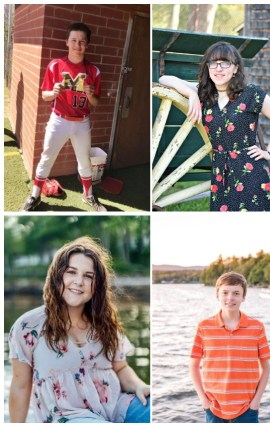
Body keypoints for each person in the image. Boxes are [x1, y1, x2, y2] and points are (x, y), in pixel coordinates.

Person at [8, 236, 150, 423]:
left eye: (88, 276)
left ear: (96, 285)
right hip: (67, 416)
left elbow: (121, 367)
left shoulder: (104, 323)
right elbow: (20, 386)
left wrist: (140, 386)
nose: (79, 281)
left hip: (115, 407)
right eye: (71, 272)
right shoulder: (28, 327)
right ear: (57, 275)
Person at [159, 42, 270, 211]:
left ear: (235, 68)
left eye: (225, 63)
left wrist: (269, 153)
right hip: (221, 172)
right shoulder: (205, 94)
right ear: (208, 68)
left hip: (251, 172)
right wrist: (191, 93)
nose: (218, 68)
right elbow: (164, 79)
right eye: (213, 63)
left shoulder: (251, 94)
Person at [22, 22, 106, 212]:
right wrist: (54, 92)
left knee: (84, 161)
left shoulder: (93, 71)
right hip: (59, 119)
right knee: (46, 157)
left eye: (82, 42)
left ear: (87, 45)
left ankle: (88, 196)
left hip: (81, 121)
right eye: (74, 40)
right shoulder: (55, 66)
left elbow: (95, 103)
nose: (78, 45)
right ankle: (34, 195)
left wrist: (90, 93)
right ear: (66, 42)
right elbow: (45, 96)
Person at [190, 272, 270, 423]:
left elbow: (265, 368)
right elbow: (193, 366)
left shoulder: (257, 328)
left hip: (247, 410)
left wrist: (256, 402)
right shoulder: (204, 327)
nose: (230, 298)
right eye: (225, 293)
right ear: (217, 295)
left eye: (236, 293)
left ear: (243, 297)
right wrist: (204, 400)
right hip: (213, 409)